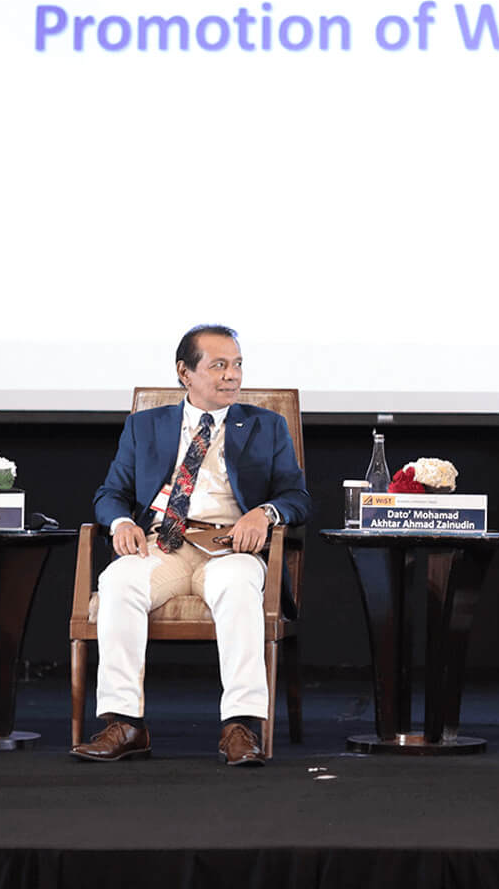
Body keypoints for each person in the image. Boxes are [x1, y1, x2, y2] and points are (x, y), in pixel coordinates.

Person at [71, 324, 311, 767]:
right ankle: (125, 724)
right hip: (163, 544)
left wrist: (266, 513)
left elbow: (296, 496)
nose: (232, 376)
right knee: (117, 582)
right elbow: (110, 493)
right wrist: (122, 522)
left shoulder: (266, 426)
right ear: (185, 372)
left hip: (230, 546)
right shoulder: (145, 426)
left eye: (237, 364)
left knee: (240, 590)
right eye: (219, 365)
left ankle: (241, 726)